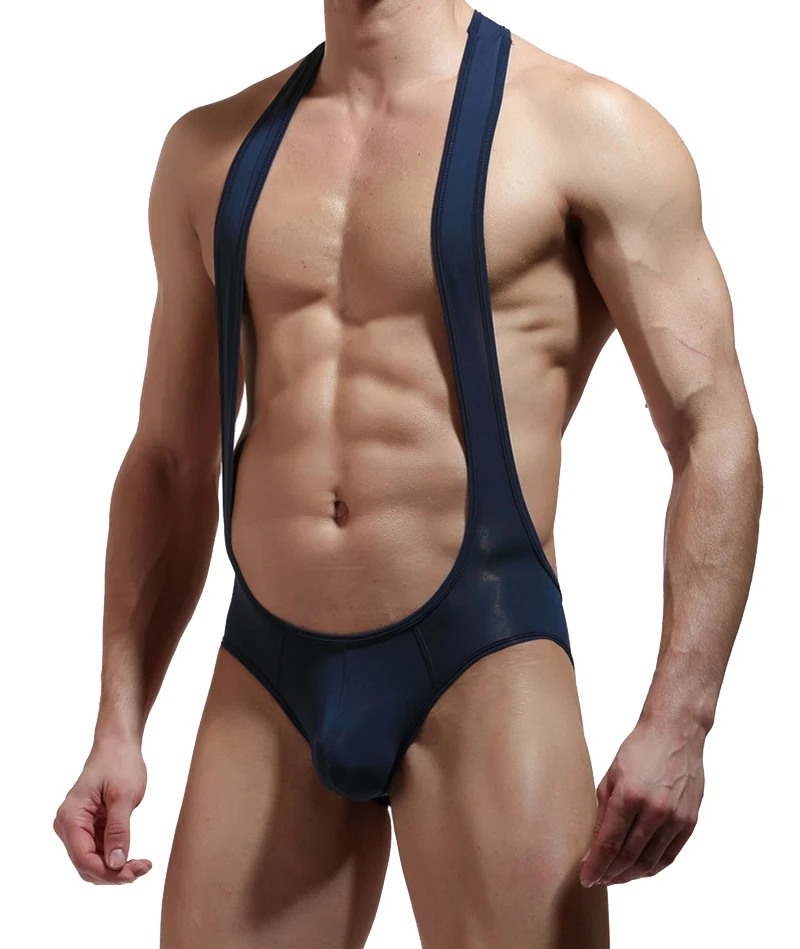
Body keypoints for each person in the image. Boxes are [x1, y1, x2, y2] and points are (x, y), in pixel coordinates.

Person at [52, 2, 762, 946]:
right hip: (266, 674)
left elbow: (714, 429)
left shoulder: (585, 131)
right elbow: (170, 461)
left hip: (484, 657)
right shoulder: (210, 153)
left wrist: (682, 717)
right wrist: (118, 721)